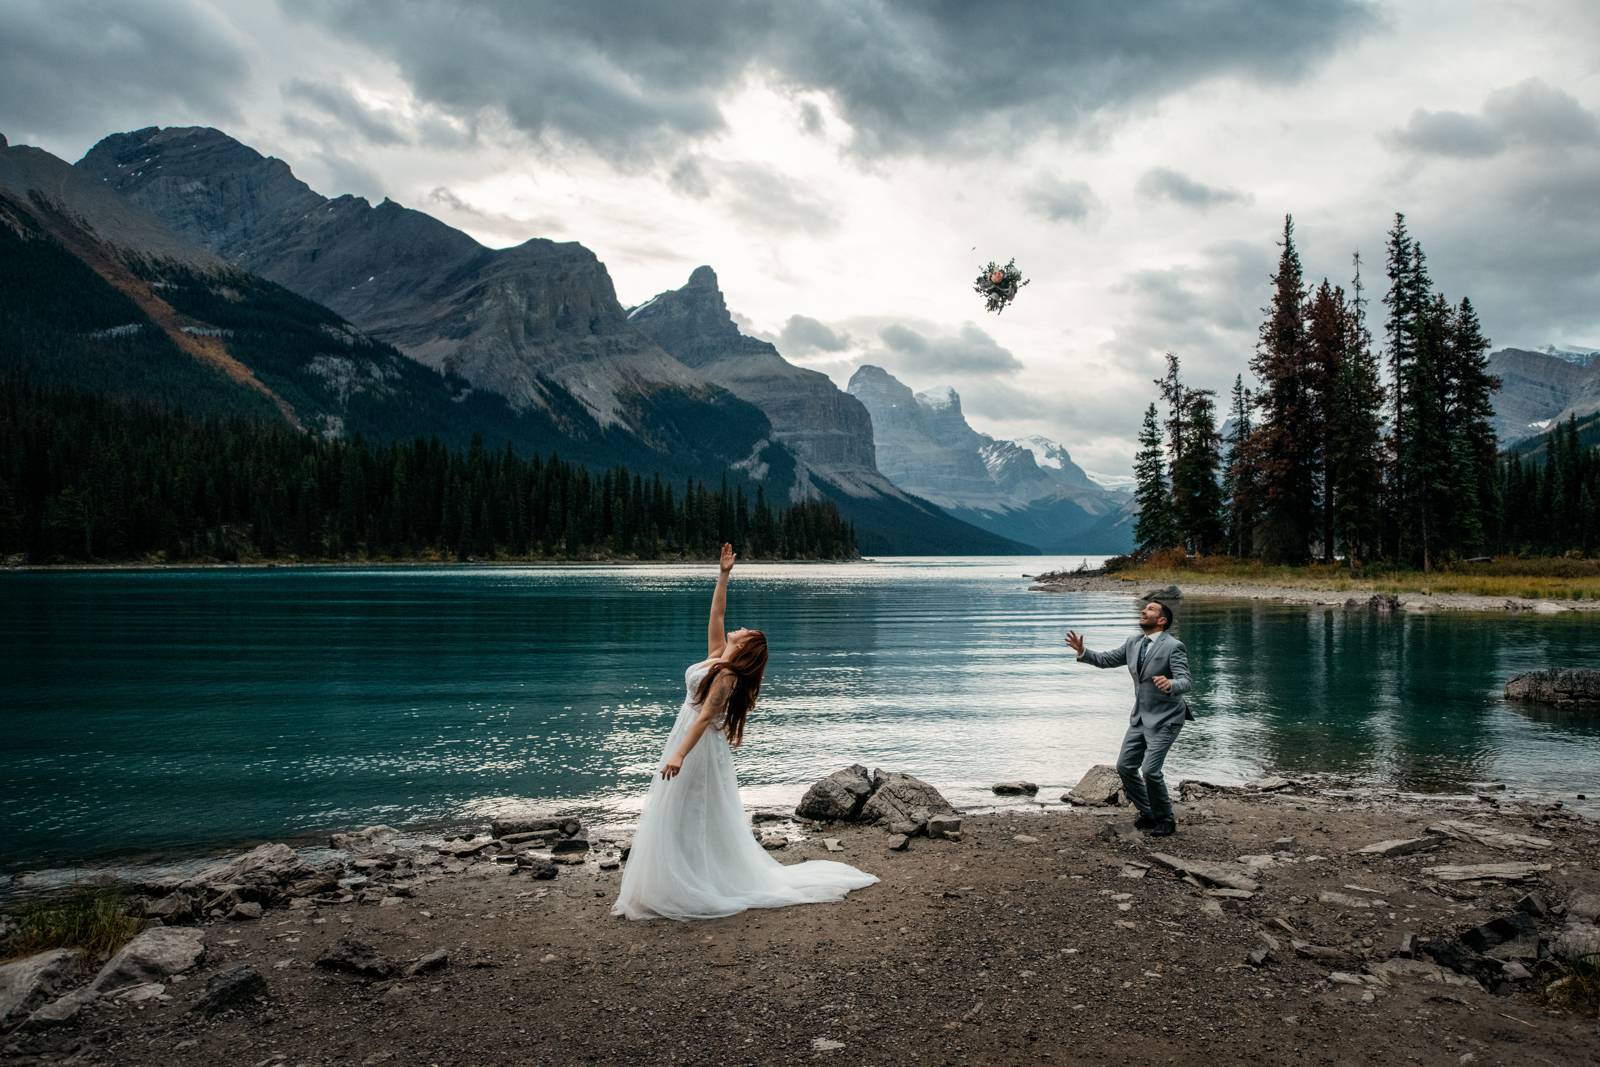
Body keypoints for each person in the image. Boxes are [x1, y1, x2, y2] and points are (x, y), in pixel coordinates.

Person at [611, 543, 878, 920]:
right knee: (679, 810)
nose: (739, 626)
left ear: (747, 646)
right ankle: (677, 878)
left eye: (746, 630)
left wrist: (678, 755)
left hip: (697, 746)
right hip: (687, 737)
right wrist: (723, 575)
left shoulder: (728, 677)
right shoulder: (719, 657)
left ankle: (693, 881)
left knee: (691, 810)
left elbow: (704, 719)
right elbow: (716, 613)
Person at [1065, 600, 1193, 837]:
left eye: (1151, 610)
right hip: (1140, 717)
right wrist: (1083, 652)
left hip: (1167, 718)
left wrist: (1170, 684)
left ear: (1162, 620)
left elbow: (1186, 681)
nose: (1144, 611)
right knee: (1125, 767)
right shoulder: (1133, 643)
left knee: (1151, 770)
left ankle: (1166, 819)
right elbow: (1106, 660)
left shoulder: (1174, 646)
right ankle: (1148, 813)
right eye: (1144, 609)